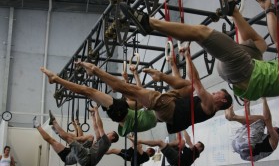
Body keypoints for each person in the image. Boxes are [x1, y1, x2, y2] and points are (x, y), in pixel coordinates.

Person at [118, 0, 279, 101]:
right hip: (240, 77)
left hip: (243, 70)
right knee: (260, 44)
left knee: (201, 32)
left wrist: (269, 8)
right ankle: (233, 11)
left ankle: (150, 23)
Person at [42, 45, 232, 134]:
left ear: (222, 101)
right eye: (216, 92)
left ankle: (93, 70)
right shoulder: (135, 115)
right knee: (187, 87)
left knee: (123, 88)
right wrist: (172, 66)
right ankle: (160, 75)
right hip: (169, 108)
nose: (214, 93)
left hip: (168, 109)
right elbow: (186, 85)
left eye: (218, 94)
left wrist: (188, 56)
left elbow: (198, 83)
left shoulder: (209, 107)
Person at [40, 65, 157, 137]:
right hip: (119, 114)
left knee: (89, 91)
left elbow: (139, 93)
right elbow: (134, 97)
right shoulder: (149, 120)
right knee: (89, 92)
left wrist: (135, 74)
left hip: (121, 112)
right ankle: (59, 78)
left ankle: (58, 79)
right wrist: (128, 80)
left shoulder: (151, 116)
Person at [48, 106, 119, 166]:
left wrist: (97, 110)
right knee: (89, 137)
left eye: (110, 133)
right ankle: (59, 131)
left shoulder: (106, 142)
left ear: (112, 137)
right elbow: (96, 128)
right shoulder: (102, 142)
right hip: (86, 155)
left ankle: (54, 122)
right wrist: (93, 116)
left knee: (70, 138)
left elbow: (100, 126)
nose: (108, 133)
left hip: (87, 158)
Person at [138, 130, 204, 166]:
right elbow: (183, 142)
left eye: (197, 144)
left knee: (159, 142)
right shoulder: (192, 154)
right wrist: (178, 129)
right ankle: (165, 144)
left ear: (200, 148)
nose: (195, 144)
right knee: (181, 142)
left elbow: (188, 139)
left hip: (177, 160)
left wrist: (183, 128)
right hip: (177, 160)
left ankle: (140, 141)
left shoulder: (195, 152)